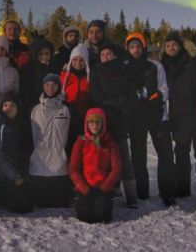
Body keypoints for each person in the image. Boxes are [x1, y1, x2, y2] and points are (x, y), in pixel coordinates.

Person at [161, 31, 196, 205]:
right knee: (181, 156)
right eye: (168, 45)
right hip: (179, 119)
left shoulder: (195, 63)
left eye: (174, 45)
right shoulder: (163, 66)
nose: (171, 48)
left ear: (181, 45)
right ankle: (183, 189)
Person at [125, 33, 176, 205]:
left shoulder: (155, 65)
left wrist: (159, 96)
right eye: (132, 47)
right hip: (136, 119)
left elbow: (165, 87)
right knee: (138, 158)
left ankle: (167, 192)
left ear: (143, 47)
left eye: (138, 46)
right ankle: (142, 192)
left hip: (157, 116)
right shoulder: (125, 66)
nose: (135, 50)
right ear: (128, 49)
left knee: (166, 156)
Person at [90, 44, 138, 208]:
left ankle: (131, 195)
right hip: (102, 120)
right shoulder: (96, 71)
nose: (105, 57)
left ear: (115, 56)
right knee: (103, 157)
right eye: (102, 54)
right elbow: (94, 93)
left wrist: (121, 103)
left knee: (124, 156)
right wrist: (108, 101)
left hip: (120, 118)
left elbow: (131, 93)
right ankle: (108, 190)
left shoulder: (124, 70)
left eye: (108, 53)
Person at [28, 73, 75, 207]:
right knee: (40, 202)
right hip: (38, 165)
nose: (50, 88)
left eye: (54, 85)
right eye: (47, 84)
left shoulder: (66, 109)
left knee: (59, 203)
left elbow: (72, 134)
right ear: (43, 86)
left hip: (60, 165)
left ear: (58, 87)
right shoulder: (34, 109)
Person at [69, 108, 122, 224]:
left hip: (102, 187)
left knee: (101, 216)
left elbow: (116, 168)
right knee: (85, 217)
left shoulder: (109, 142)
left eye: (97, 122)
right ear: (87, 124)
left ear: (103, 124)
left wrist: (104, 187)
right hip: (84, 187)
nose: (94, 125)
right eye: (91, 122)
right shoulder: (80, 142)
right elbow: (74, 169)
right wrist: (83, 187)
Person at [60, 44, 92, 126]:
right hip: (66, 119)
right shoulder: (64, 77)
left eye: (81, 60)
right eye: (75, 60)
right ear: (71, 61)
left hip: (85, 118)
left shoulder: (90, 78)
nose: (78, 63)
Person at [21, 37, 55, 111]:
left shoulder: (53, 68)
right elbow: (25, 94)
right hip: (32, 109)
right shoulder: (28, 70)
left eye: (47, 53)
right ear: (35, 54)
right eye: (41, 54)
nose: (44, 57)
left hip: (50, 108)